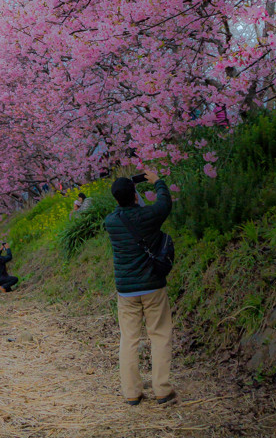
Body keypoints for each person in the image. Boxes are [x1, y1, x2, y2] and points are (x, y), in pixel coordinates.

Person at [104, 169, 175, 407]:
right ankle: (162, 390)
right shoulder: (148, 216)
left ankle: (132, 393)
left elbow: (121, 211)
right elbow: (165, 203)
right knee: (160, 335)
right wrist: (157, 182)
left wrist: (125, 198)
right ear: (135, 195)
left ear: (116, 199)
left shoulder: (111, 222)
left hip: (126, 291)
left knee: (129, 339)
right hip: (153, 286)